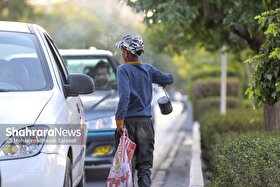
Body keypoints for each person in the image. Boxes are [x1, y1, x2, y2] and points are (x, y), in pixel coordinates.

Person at [114, 34, 174, 187]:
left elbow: (125, 97)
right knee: (144, 166)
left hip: (127, 123)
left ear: (126, 53)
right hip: (146, 124)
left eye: (122, 51)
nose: (122, 54)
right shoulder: (148, 69)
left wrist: (119, 121)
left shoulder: (123, 70)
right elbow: (169, 79)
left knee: (126, 166)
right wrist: (163, 82)